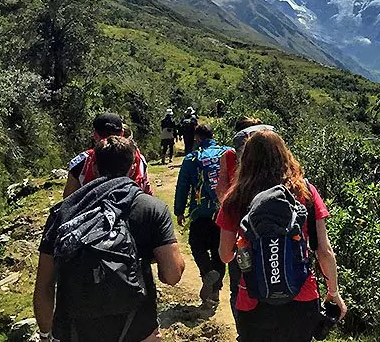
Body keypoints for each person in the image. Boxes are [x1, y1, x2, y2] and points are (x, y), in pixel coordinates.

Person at [33, 136, 185, 342]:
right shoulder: (152, 208)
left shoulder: (64, 212)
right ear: (133, 168)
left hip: (74, 331)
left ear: (94, 167)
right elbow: (172, 275)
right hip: (137, 328)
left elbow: (44, 284)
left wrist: (45, 334)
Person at [217, 130, 347, 342]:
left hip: (252, 297)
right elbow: (324, 250)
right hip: (302, 294)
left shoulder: (235, 198)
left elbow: (225, 255)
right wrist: (333, 291)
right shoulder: (305, 192)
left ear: (246, 160)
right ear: (284, 155)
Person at [216, 117, 274, 320]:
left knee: (239, 289)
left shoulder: (229, 158)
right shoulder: (298, 186)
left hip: (242, 241)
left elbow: (221, 191)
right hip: (280, 250)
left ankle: (243, 330)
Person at [174, 124, 232, 303]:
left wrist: (179, 211)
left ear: (198, 139)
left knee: (197, 245)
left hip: (200, 212)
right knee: (219, 251)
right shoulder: (227, 153)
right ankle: (215, 290)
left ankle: (207, 273)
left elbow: (183, 186)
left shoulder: (192, 159)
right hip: (223, 212)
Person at [63, 112, 152, 198]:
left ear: (95, 135)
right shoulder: (138, 159)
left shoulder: (82, 161)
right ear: (122, 133)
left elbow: (69, 198)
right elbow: (146, 192)